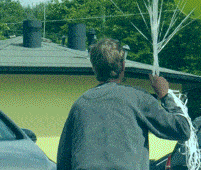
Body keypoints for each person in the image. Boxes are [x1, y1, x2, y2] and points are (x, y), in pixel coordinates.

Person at [57, 37, 191, 170]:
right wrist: (165, 96)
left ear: (94, 67)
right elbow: (182, 129)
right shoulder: (138, 99)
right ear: (123, 66)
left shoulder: (80, 105)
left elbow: (63, 160)